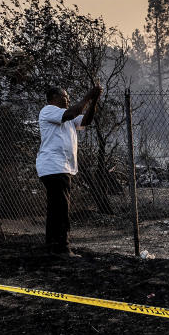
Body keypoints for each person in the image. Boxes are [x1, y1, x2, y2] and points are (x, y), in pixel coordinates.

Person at [36, 84, 102, 256]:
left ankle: (51, 246)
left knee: (56, 208)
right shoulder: (49, 110)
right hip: (54, 166)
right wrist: (89, 95)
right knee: (62, 208)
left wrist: (94, 100)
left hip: (59, 166)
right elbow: (73, 112)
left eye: (68, 97)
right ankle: (63, 248)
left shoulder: (66, 117)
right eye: (63, 96)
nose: (67, 99)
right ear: (53, 99)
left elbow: (86, 120)